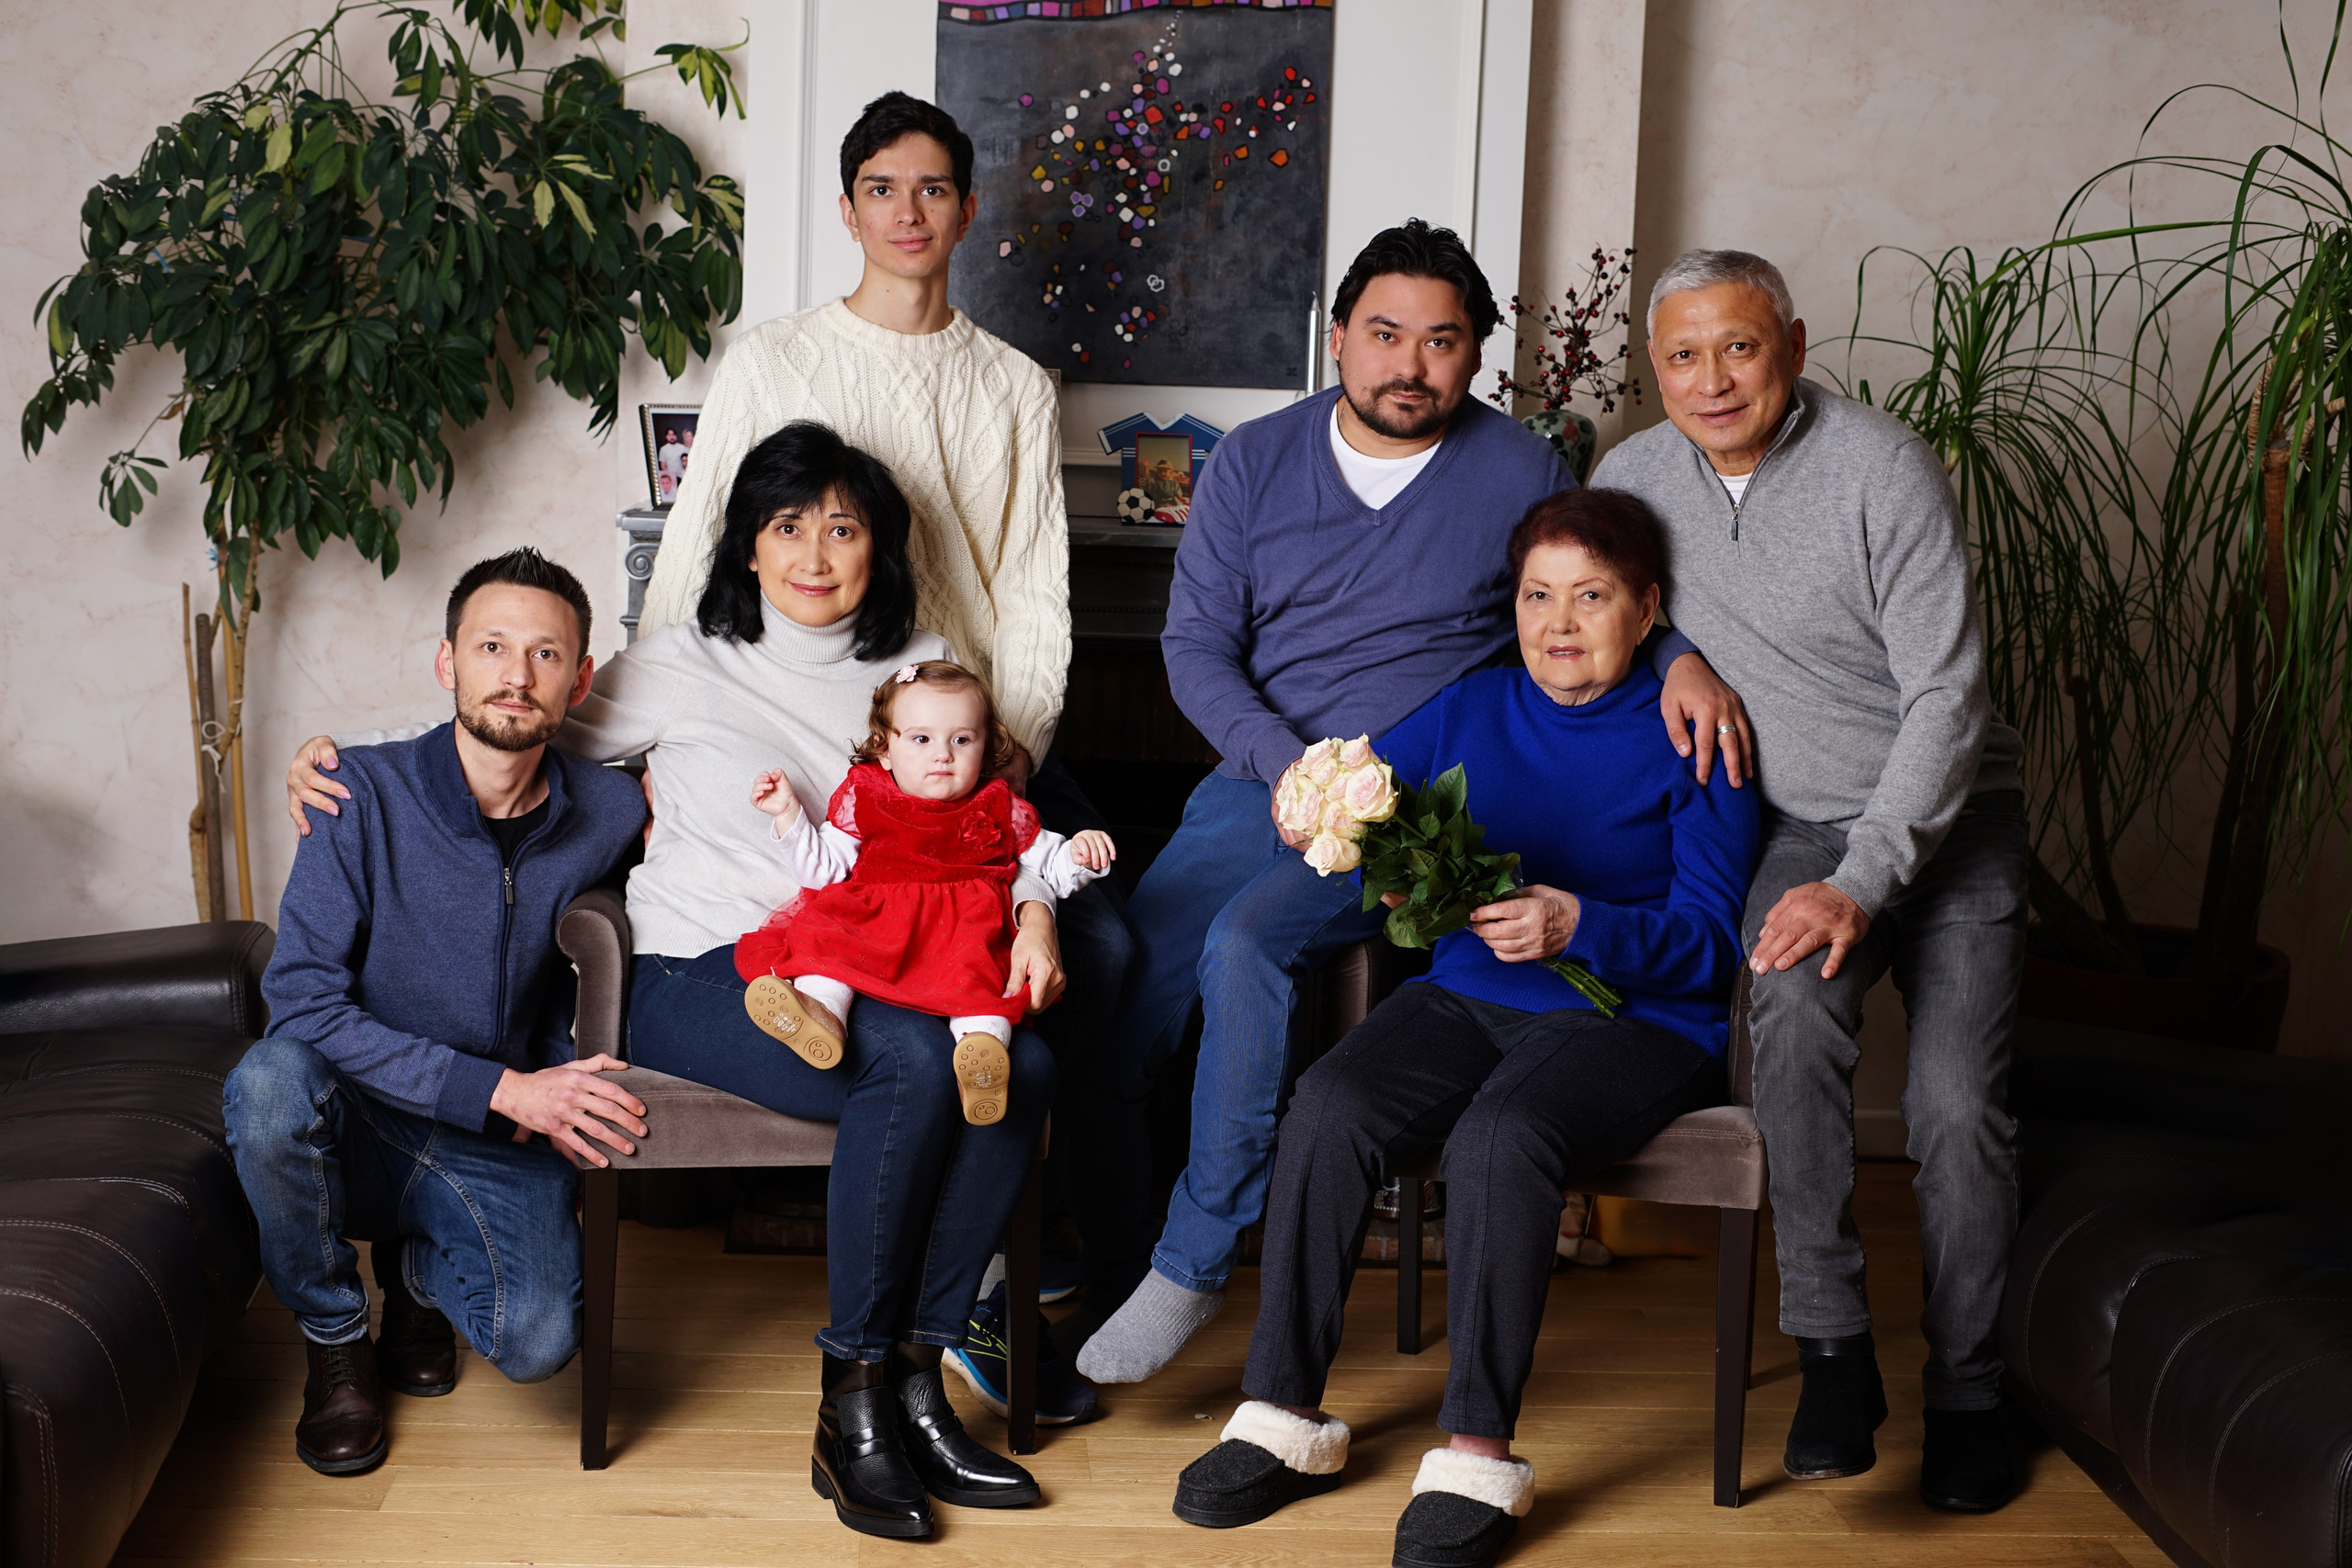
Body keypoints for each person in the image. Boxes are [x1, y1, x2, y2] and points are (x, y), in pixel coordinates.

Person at [284, 426, 1085, 1537]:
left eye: (842, 528)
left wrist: (1037, 912)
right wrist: (345, 760)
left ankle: (917, 1380)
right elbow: (516, 725)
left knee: (1027, 1064)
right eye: (787, 526)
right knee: (907, 1063)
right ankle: (848, 1401)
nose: (814, 552)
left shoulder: (925, 669)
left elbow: (994, 833)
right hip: (694, 967)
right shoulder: (680, 660)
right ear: (747, 549)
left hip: (872, 962)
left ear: (879, 549)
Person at [1074, 219, 1754, 1383]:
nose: (1409, 363)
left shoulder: (1520, 470)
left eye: (1442, 342)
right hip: (1261, 781)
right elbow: (1193, 644)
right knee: (1119, 993)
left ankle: (1192, 1263)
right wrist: (1279, 762)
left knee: (1246, 948)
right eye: (1384, 334)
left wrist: (1681, 651)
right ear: (1338, 338)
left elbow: (1585, 581)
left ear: (1474, 357)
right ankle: (1086, 1263)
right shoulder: (1249, 461)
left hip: (1421, 806)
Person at [1170, 488, 1758, 1567]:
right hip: (1466, 992)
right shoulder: (1470, 706)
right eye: (1539, 595)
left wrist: (1579, 923)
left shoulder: (1696, 730)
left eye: (1592, 597)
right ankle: (1281, 1411)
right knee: (1330, 1103)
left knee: (1501, 1134)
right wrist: (1322, 812)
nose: (1560, 624)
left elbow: (1712, 945)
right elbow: (1355, 792)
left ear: (1647, 612)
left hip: (1634, 1017)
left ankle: (1477, 1453)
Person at [631, 87, 1131, 1306]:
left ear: (967, 209)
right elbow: (704, 542)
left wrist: (1003, 760)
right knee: (923, 965)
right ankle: (958, 1245)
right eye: (881, 188)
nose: (908, 211)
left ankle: (1030, 1234)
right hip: (849, 735)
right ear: (849, 208)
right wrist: (660, 748)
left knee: (1104, 942)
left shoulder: (1011, 381)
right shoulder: (778, 361)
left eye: (933, 188)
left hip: (981, 741)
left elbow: (1030, 592)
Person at [1591, 248, 2030, 1514]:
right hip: (1794, 817)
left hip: (1951, 822)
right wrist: (1674, 651)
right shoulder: (1635, 475)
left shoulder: (1882, 467)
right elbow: (1600, 589)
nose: (1712, 378)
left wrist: (1868, 877)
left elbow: (1951, 696)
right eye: (1682, 354)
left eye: (1738, 346)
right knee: (1781, 1007)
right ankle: (1836, 1352)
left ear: (1790, 338)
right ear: (1654, 364)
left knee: (1953, 1109)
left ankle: (1970, 1391)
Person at [224, 549, 650, 1477]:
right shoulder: (356, 791)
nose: (515, 674)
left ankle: (416, 1275)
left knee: (538, 1343)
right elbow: (297, 998)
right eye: (491, 646)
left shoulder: (612, 809)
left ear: (580, 680)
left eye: (545, 655)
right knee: (265, 1084)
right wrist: (505, 1088)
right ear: (446, 661)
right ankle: (337, 1337)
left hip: (489, 1133)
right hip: (362, 1113)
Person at [739, 659, 1115, 1125]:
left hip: (963, 937)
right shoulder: (869, 795)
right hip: (873, 925)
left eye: (962, 740)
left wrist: (1080, 856)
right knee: (828, 944)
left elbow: (1048, 867)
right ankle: (820, 1017)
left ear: (986, 746)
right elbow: (825, 872)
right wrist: (789, 816)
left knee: (981, 986)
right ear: (885, 751)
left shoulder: (998, 804)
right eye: (921, 739)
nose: (943, 755)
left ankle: (982, 1059)